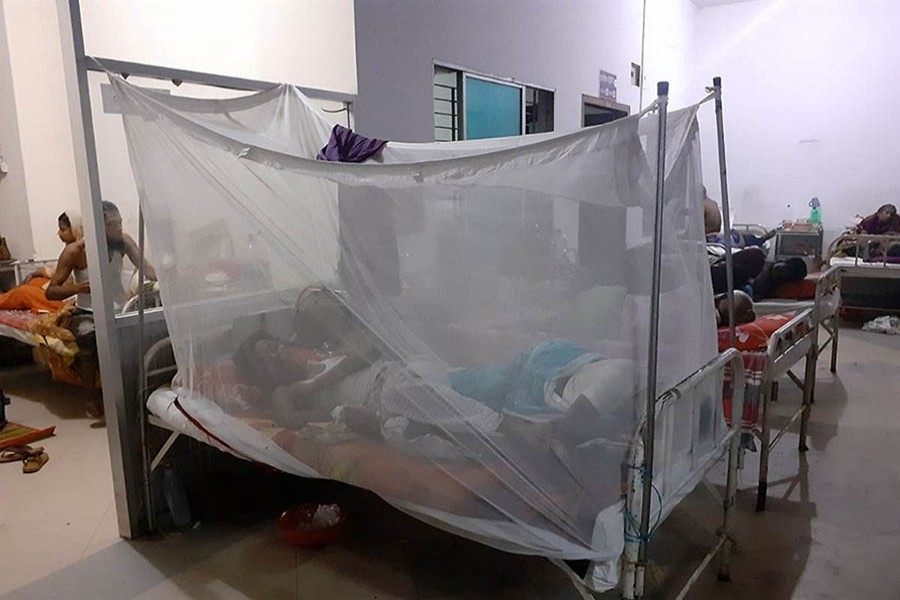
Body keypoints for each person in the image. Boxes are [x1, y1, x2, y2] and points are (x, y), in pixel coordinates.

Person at [45, 202, 156, 422]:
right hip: (87, 311)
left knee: (141, 331)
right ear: (99, 225)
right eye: (113, 225)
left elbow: (149, 270)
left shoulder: (123, 242)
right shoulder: (74, 251)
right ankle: (92, 399)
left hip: (119, 307)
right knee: (90, 335)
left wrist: (172, 275)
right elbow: (51, 291)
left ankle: (136, 393)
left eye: (120, 223)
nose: (119, 228)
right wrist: (79, 288)